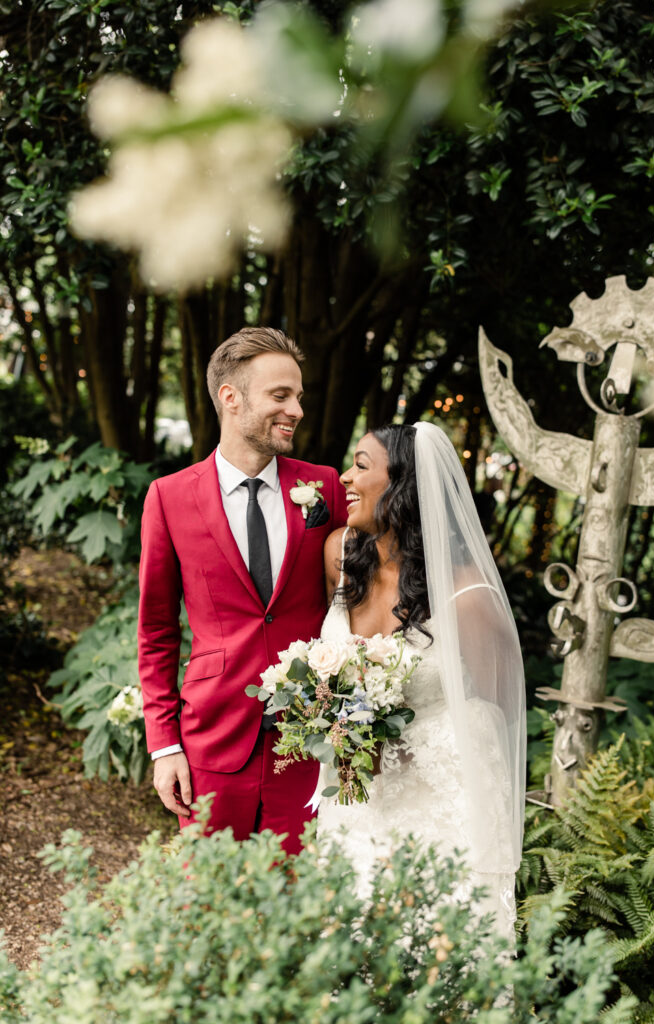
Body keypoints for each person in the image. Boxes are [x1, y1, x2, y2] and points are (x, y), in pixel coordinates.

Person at [138, 327, 347, 853]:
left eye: (298, 396)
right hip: (212, 738)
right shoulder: (169, 498)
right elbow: (157, 630)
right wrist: (164, 745)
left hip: (308, 738)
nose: (296, 409)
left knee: (298, 905)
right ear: (231, 398)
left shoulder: (324, 488)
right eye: (281, 395)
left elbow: (358, 601)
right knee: (210, 903)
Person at [317, 422, 526, 937]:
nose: (344, 477)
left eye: (362, 466)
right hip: (354, 798)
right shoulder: (340, 556)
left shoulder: (466, 596)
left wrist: (414, 743)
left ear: (403, 486)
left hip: (438, 807)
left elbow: (496, 710)